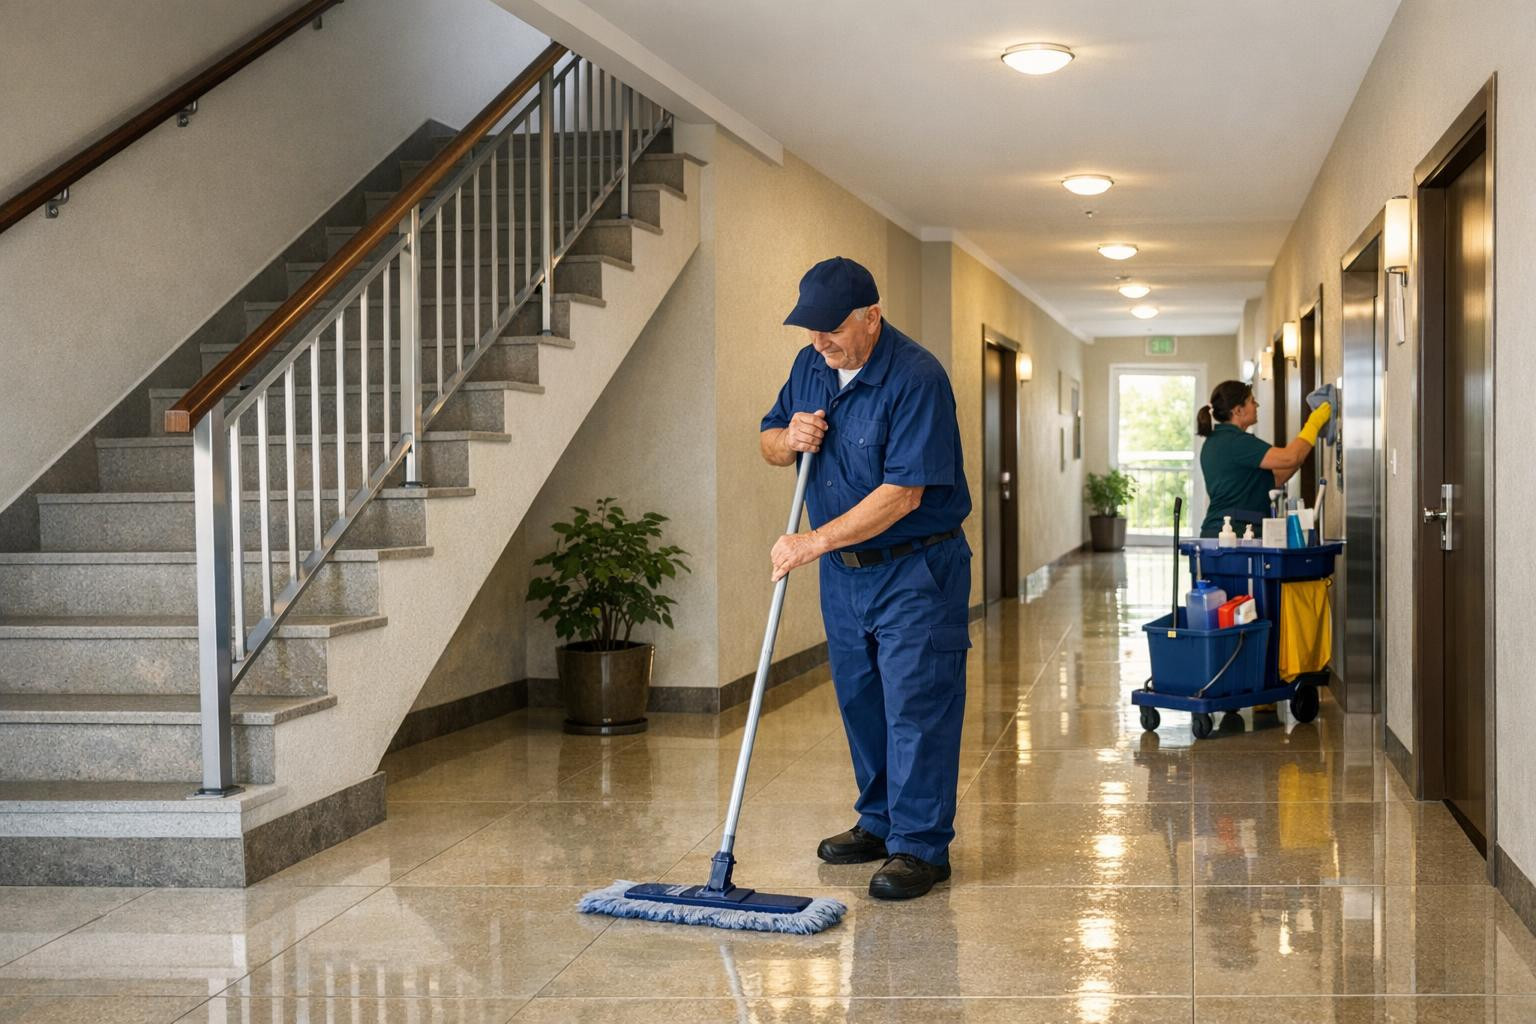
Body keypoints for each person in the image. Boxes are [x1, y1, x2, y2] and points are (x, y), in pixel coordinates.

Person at [759, 256, 972, 901]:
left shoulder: (916, 377)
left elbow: (903, 494)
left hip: (916, 568)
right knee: (861, 700)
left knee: (916, 704)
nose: (819, 341)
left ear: (872, 317)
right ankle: (879, 823)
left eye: (831, 328)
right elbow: (768, 440)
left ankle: (920, 846)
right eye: (811, 328)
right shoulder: (809, 366)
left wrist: (812, 542)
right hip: (846, 575)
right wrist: (788, 438)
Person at [1196, 379, 1331, 539]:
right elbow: (1290, 458)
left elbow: (1277, 477)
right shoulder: (1236, 442)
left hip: (1222, 533)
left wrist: (1301, 452)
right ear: (1238, 410)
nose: (1257, 405)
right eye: (1252, 401)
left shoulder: (1215, 441)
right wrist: (1314, 423)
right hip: (1233, 534)